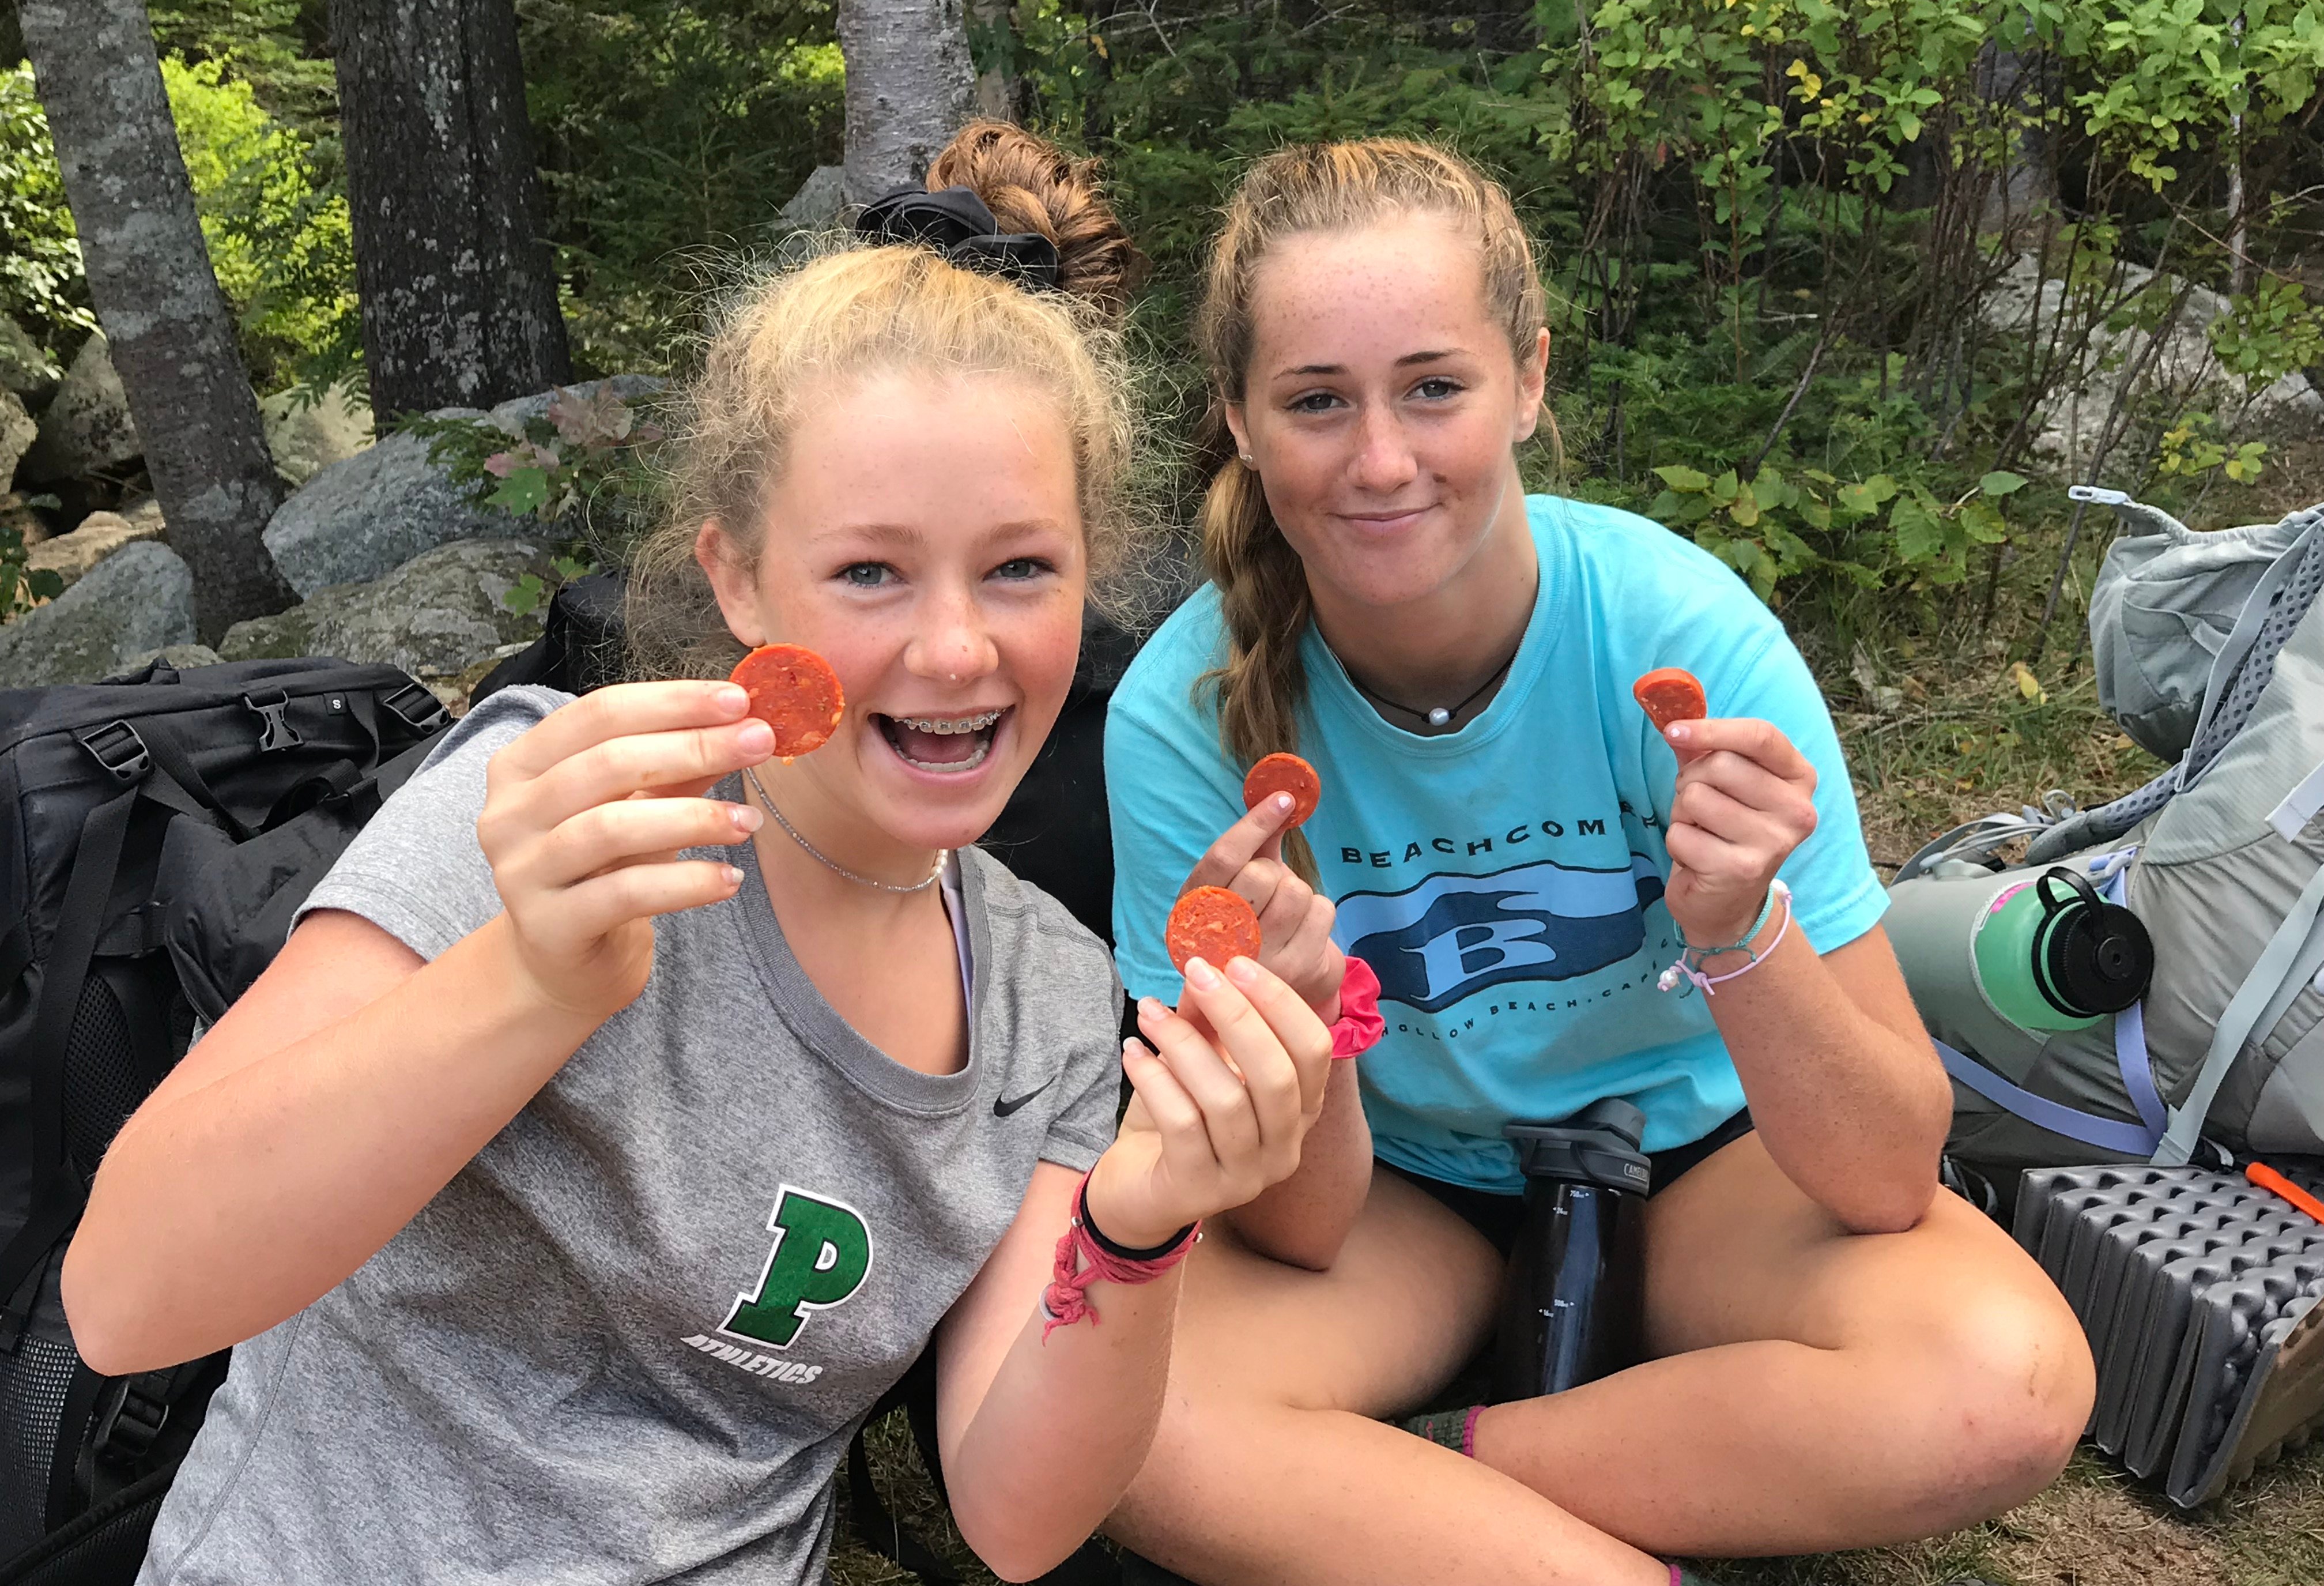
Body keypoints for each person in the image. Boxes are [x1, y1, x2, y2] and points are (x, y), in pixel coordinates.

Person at [61, 123, 1335, 1586]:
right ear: (736, 574)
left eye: (1020, 569)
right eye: (869, 570)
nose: (956, 647)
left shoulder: (1045, 999)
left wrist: (1141, 1223)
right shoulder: (555, 806)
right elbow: (128, 1298)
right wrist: (531, 983)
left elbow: (1015, 1513)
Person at [1101, 139, 2096, 1586]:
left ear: (1532, 379)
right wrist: (1303, 1040)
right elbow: (1298, 1228)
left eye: (1435, 387)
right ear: (1242, 425)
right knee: (1123, 1420)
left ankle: (1418, 1485)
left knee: (2000, 1385)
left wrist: (1741, 926)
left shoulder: (1680, 637)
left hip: (1702, 1177)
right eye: (1317, 402)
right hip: (1398, 1203)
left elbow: (1886, 1173)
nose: (1381, 460)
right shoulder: (1185, 721)